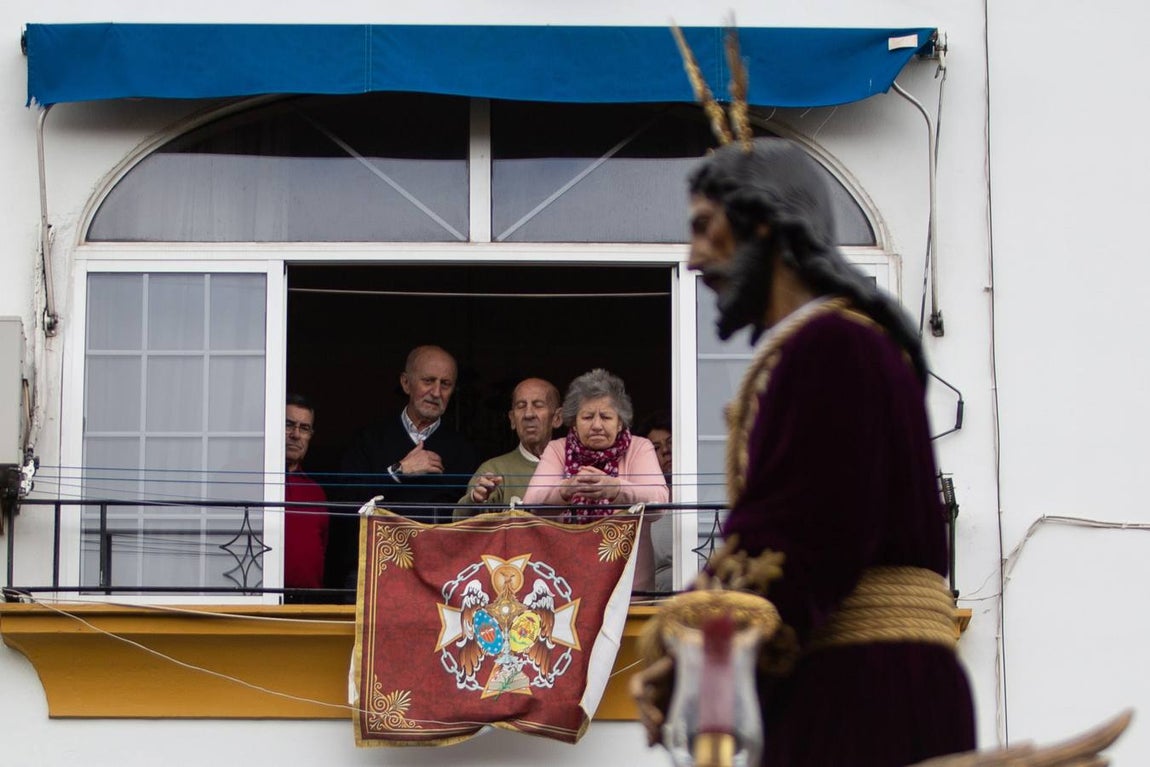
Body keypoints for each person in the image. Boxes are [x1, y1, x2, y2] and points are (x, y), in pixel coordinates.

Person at [634, 138, 976, 766]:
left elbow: (798, 535)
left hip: (864, 695)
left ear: (763, 223)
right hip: (865, 682)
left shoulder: (831, 348)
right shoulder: (833, 345)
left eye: (706, 228)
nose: (694, 257)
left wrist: (691, 637)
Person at [523, 369, 669, 592]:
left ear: (620, 423)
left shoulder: (639, 447)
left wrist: (615, 489)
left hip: (629, 588)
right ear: (574, 423)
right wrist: (567, 489)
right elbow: (531, 505)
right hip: (566, 585)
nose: (597, 425)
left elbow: (658, 503)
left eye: (606, 417)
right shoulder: (557, 449)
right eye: (588, 417)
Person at [339, 345, 477, 524]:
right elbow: (345, 502)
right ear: (406, 383)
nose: (436, 393)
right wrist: (398, 471)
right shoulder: (369, 439)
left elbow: (470, 522)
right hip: (379, 549)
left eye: (445, 384)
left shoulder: (463, 451)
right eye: (428, 381)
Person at [455, 377, 562, 518]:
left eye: (538, 405)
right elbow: (459, 522)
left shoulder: (574, 466)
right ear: (512, 419)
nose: (528, 414)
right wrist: (475, 500)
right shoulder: (494, 470)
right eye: (521, 406)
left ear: (557, 418)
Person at [283, 393, 328, 601]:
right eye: (288, 425)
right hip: (255, 602)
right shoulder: (252, 483)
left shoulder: (316, 492)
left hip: (307, 606)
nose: (296, 434)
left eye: (304, 428)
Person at [637, 411, 675, 593]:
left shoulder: (708, 494)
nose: (666, 451)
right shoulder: (646, 505)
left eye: (670, 443)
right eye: (656, 448)